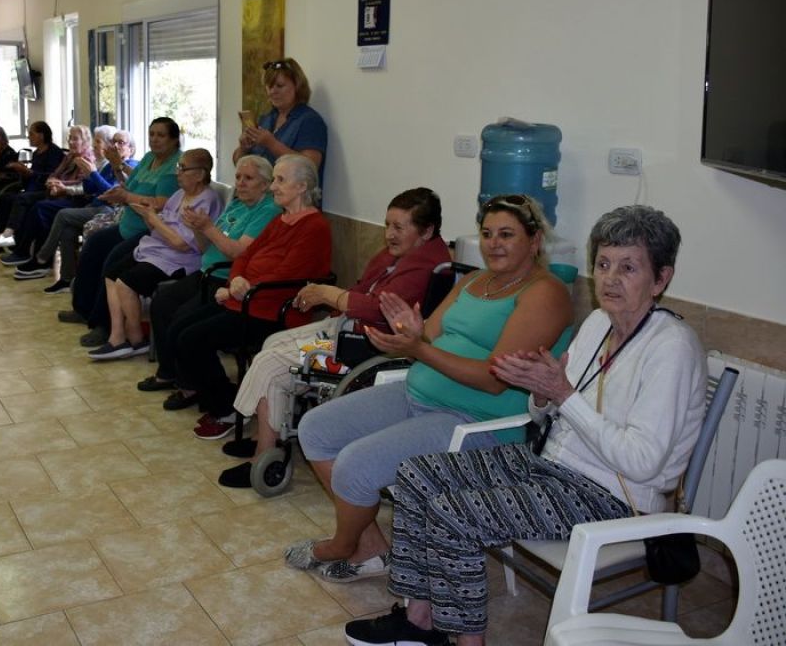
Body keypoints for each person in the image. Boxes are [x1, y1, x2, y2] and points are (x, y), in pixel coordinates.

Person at [344, 205, 705, 646]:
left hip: (611, 496)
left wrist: (564, 395)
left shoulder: (672, 348)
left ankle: (466, 642)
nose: (610, 279)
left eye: (628, 268)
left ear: (661, 279)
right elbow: (549, 414)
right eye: (604, 264)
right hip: (552, 466)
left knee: (455, 514)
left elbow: (644, 463)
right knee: (418, 474)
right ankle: (420, 622)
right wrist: (539, 392)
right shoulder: (598, 324)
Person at [284, 194, 574, 585]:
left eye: (507, 234)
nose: (494, 243)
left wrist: (418, 349)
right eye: (487, 234)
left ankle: (339, 546)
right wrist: (409, 335)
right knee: (315, 429)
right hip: (417, 394)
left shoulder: (546, 293)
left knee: (355, 464)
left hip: (476, 421)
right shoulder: (473, 280)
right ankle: (368, 545)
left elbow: (494, 379)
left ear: (534, 240)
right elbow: (430, 337)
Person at [216, 188, 452, 489]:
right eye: (388, 225)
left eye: (399, 227)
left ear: (426, 230)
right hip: (348, 328)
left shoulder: (424, 266)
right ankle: (267, 434)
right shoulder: (404, 253)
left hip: (364, 346)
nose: (389, 234)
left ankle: (264, 454)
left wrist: (327, 294)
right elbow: (363, 290)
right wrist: (334, 302)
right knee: (272, 343)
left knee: (270, 364)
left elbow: (378, 308)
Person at [159, 154, 332, 438]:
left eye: (280, 180)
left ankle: (225, 407)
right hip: (248, 299)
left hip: (274, 309)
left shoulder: (314, 227)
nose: (274, 187)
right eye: (274, 179)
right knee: (179, 329)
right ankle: (228, 398)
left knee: (192, 339)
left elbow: (287, 274)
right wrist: (238, 277)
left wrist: (245, 286)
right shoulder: (283, 219)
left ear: (302, 187)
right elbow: (245, 255)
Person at [136, 154, 278, 391]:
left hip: (226, 278)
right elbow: (204, 247)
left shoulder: (267, 210)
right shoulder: (237, 203)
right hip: (206, 271)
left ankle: (189, 384)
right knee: (162, 303)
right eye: (238, 177)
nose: (240, 183)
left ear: (265, 184)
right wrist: (198, 228)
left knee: (181, 319)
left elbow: (237, 253)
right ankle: (169, 372)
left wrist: (207, 227)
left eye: (248, 178)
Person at [87, 148, 224, 360]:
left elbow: (182, 244)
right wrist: (148, 216)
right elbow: (159, 228)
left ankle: (135, 337)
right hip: (156, 250)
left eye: (183, 168)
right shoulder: (179, 194)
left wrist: (153, 218)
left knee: (125, 282)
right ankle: (117, 337)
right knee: (111, 274)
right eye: (178, 167)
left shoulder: (206, 200)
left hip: (178, 260)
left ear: (200, 174)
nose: (177, 172)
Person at [63, 118, 183, 346]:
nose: (155, 140)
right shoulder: (149, 159)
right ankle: (83, 308)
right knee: (93, 246)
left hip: (149, 231)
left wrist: (126, 197)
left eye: (161, 135)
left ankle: (103, 324)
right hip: (127, 223)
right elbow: (129, 185)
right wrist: (118, 183)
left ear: (174, 140)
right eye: (152, 134)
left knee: (111, 261)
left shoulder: (173, 168)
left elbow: (162, 203)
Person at [13, 128, 138, 291]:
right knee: (67, 230)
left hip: (107, 210)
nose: (115, 146)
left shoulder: (132, 165)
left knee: (62, 214)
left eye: (120, 143)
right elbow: (90, 188)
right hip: (95, 205)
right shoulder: (108, 166)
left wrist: (92, 173)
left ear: (131, 148)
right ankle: (66, 279)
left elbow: (111, 195)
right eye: (113, 141)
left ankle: (42, 258)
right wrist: (88, 174)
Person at [0, 124, 96, 267]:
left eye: (75, 139)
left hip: (75, 198)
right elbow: (55, 173)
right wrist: (52, 180)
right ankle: (21, 248)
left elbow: (81, 183)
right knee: (29, 204)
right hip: (58, 192)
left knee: (40, 208)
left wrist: (59, 183)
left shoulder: (87, 158)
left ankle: (33, 256)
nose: (71, 142)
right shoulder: (70, 156)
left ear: (85, 141)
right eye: (70, 139)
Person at [232, 58, 328, 184]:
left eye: (280, 86)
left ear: (297, 86)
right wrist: (243, 148)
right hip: (259, 199)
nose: (273, 91)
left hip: (291, 200)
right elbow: (239, 164)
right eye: (269, 86)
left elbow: (309, 167)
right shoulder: (266, 118)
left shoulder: (310, 121)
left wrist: (272, 144)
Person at [0, 120, 65, 248]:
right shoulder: (37, 153)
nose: (28, 137)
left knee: (22, 198)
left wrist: (29, 172)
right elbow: (31, 177)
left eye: (31, 134)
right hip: (32, 188)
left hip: (47, 190)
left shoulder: (54, 152)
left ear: (41, 135)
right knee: (6, 197)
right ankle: (0, 232)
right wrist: (23, 172)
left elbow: (51, 177)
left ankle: (9, 233)